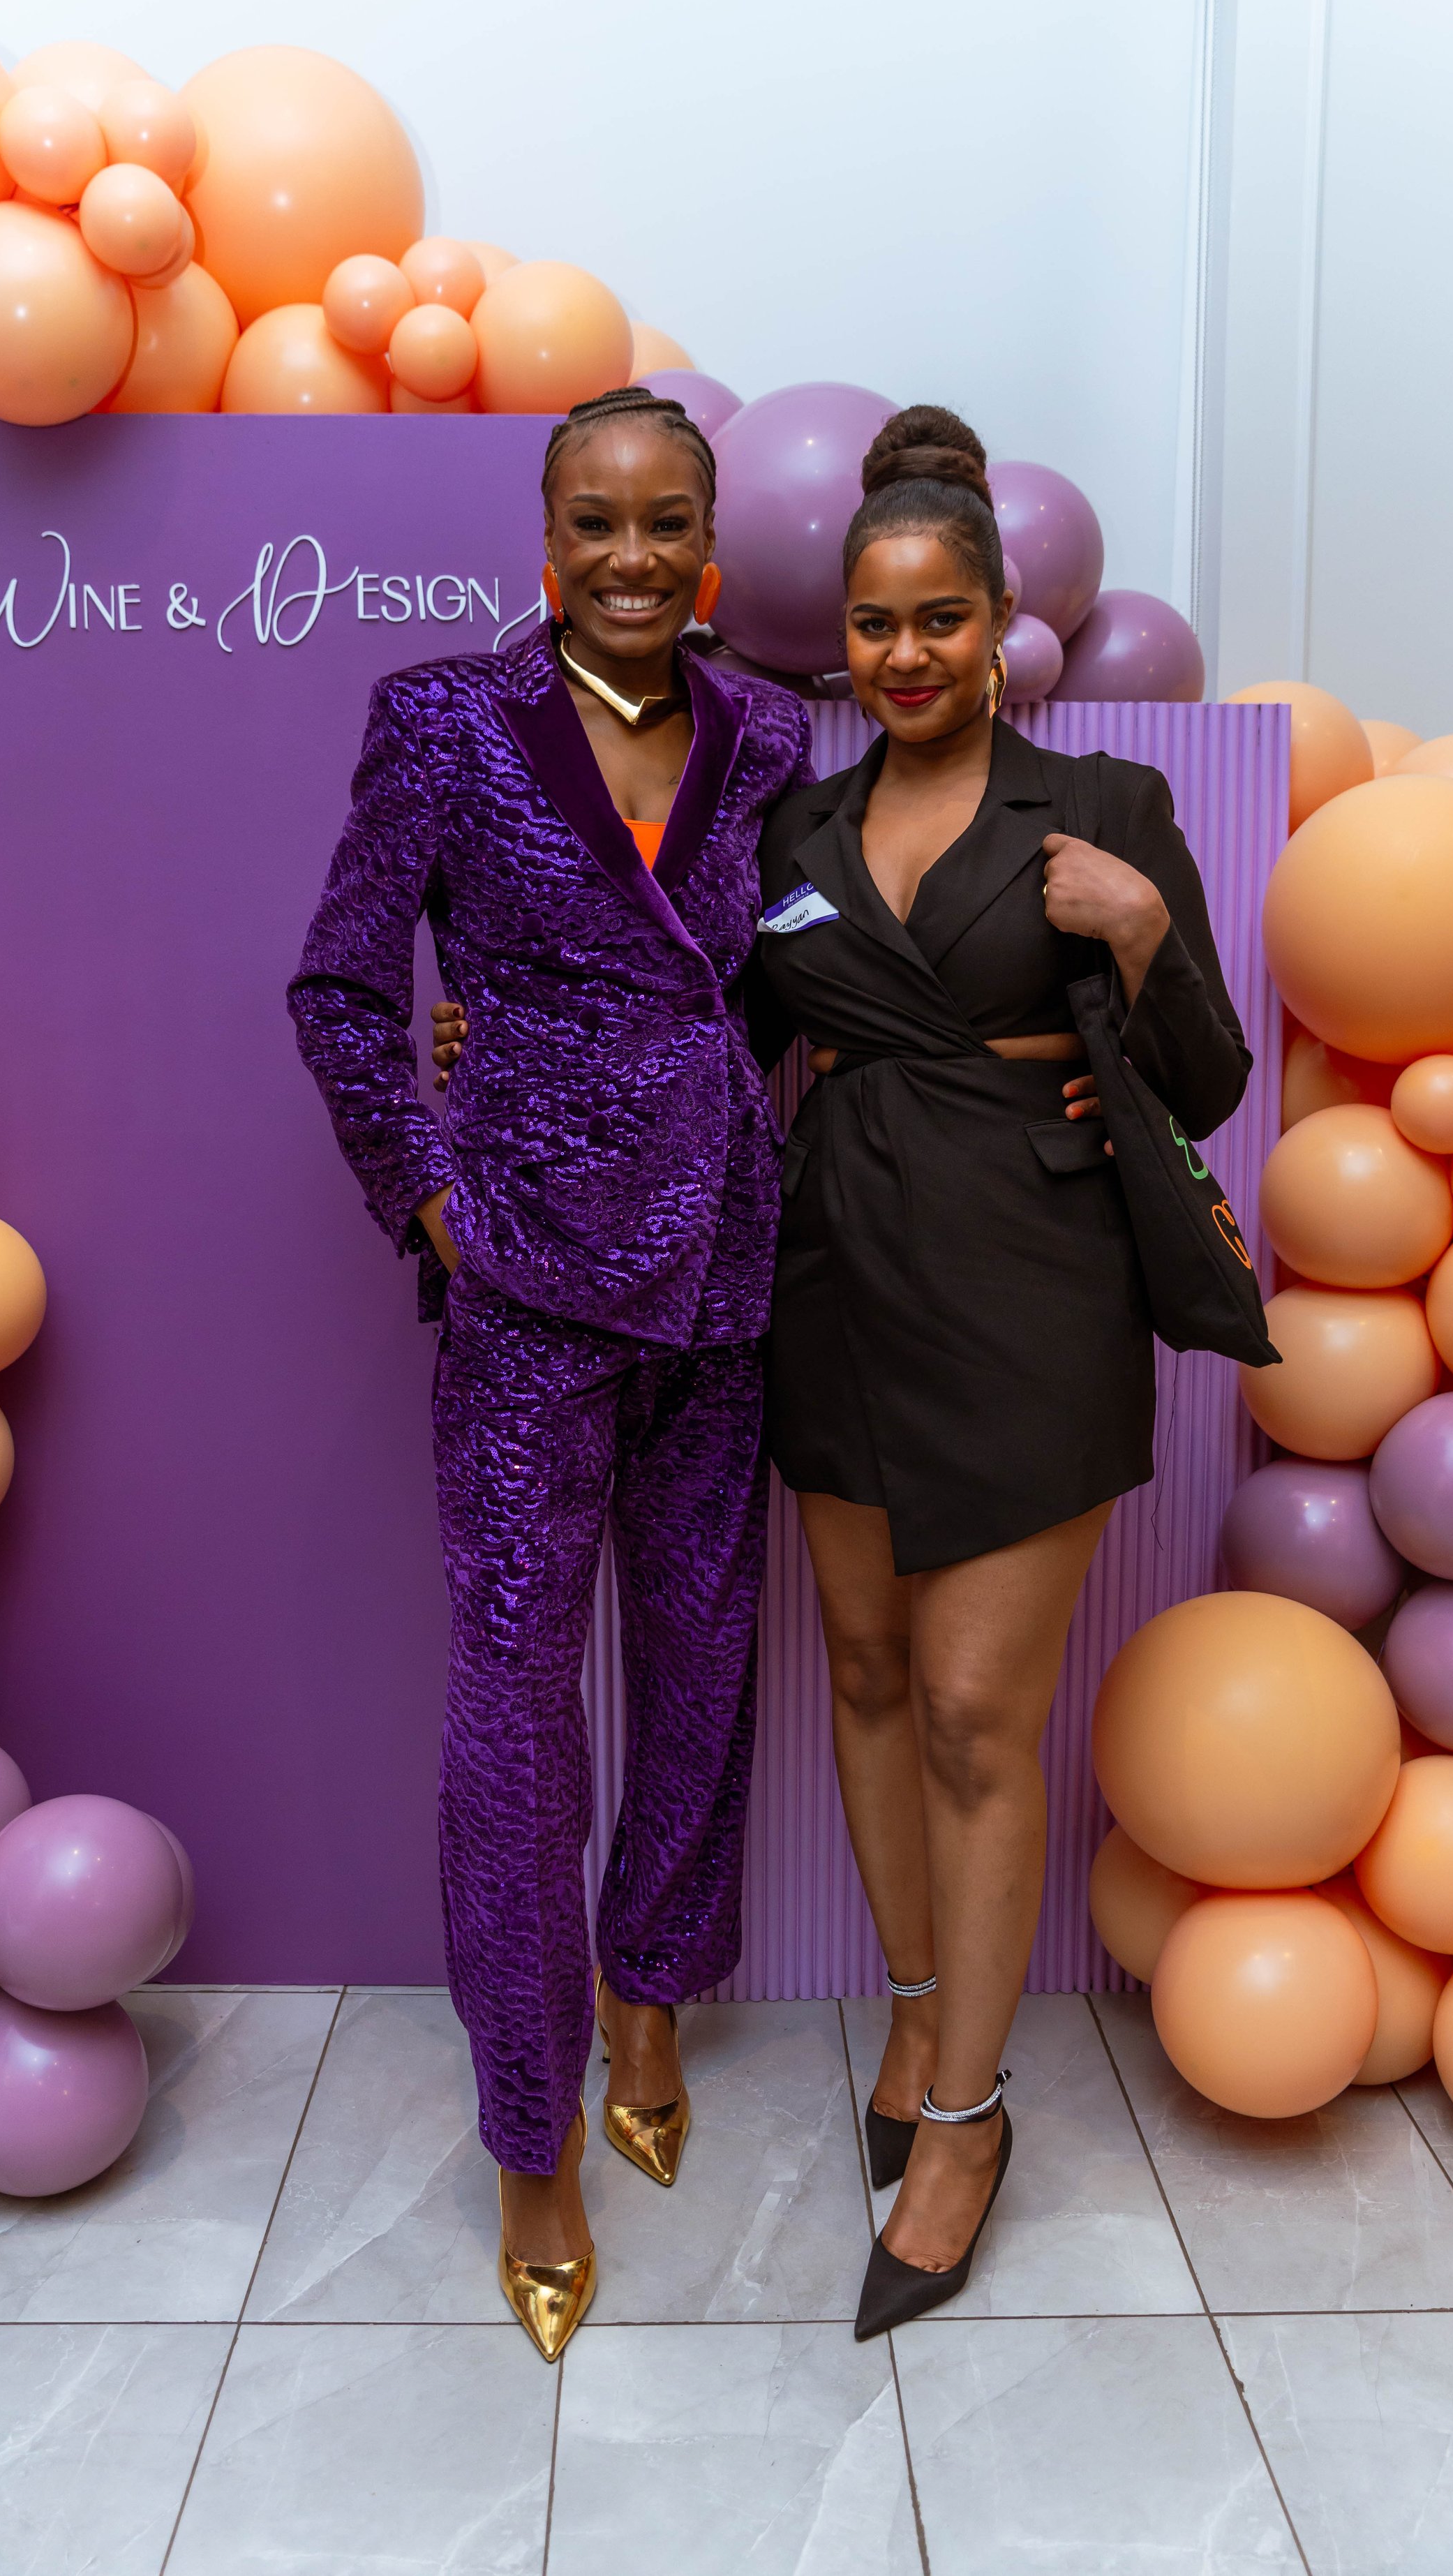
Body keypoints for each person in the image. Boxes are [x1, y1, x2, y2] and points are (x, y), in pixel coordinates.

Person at [289, 385, 810, 2361]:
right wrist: (430, 1197)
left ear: (704, 544)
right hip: (520, 1280)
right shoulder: (446, 719)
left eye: (664, 523)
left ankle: (652, 2000)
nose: (629, 556)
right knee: (513, 1709)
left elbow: (784, 977)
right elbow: (345, 983)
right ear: (545, 533)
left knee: (701, 1652)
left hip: (727, 1277)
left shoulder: (766, 732)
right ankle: (529, 2137)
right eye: (594, 520)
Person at [752, 405, 1251, 2335]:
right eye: (874, 626)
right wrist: (506, 1056)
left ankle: (964, 2115)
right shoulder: (793, 827)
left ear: (1002, 620)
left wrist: (1135, 940)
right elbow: (708, 1035)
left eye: (939, 620)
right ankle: (907, 2021)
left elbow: (1200, 1083)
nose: (904, 656)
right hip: (834, 1274)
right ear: (843, 638)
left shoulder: (1102, 815)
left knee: (973, 1711)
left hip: (1030, 1290)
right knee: (866, 1670)